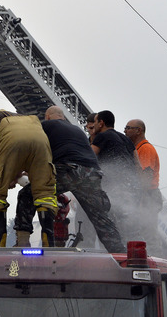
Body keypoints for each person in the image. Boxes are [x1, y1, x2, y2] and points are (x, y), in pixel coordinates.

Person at [12, 106, 125, 252]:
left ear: (47, 116)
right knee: (100, 217)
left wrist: (15, 174)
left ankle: (23, 242)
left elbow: (28, 149)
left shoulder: (45, 125)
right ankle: (119, 252)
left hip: (68, 170)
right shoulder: (77, 130)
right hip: (91, 173)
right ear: (63, 117)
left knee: (27, 195)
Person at [0, 110, 57, 247]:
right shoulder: (22, 118)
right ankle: (49, 243)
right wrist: (13, 176)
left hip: (12, 139)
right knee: (45, 194)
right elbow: (21, 153)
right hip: (40, 139)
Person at [90, 110, 142, 244]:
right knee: (130, 225)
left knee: (110, 225)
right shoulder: (126, 139)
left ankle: (114, 254)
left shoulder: (101, 137)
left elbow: (88, 157)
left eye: (95, 122)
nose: (93, 125)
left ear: (101, 123)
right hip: (131, 188)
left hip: (112, 188)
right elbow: (137, 165)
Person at [125, 118, 163, 251]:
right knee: (143, 232)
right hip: (145, 194)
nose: (125, 131)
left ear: (138, 131)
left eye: (128, 128)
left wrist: (139, 199)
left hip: (148, 195)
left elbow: (145, 178)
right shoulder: (138, 148)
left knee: (148, 233)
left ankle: (156, 263)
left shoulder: (145, 149)